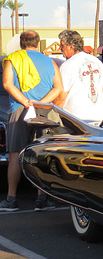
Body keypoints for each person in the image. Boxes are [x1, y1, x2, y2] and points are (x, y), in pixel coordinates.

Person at [1, 30, 63, 212]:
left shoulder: (12, 59)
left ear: (21, 44)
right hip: (44, 112)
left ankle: (11, 199)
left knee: (15, 155)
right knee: (41, 154)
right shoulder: (50, 61)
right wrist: (40, 103)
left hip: (20, 110)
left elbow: (7, 84)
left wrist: (25, 102)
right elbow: (58, 87)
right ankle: (42, 198)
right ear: (38, 44)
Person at [54, 30, 103, 123]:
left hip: (76, 121)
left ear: (71, 47)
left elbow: (61, 97)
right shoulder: (96, 61)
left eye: (62, 45)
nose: (60, 48)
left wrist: (53, 117)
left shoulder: (67, 66)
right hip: (100, 117)